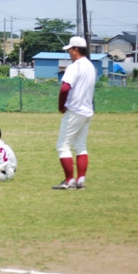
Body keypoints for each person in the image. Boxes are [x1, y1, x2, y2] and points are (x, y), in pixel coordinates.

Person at [54, 36, 97, 190]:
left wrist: (61, 105)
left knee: (63, 146)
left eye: (70, 49)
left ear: (76, 49)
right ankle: (80, 180)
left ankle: (69, 180)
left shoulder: (75, 66)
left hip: (75, 110)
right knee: (80, 145)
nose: (69, 53)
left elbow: (65, 87)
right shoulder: (90, 66)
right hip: (87, 110)